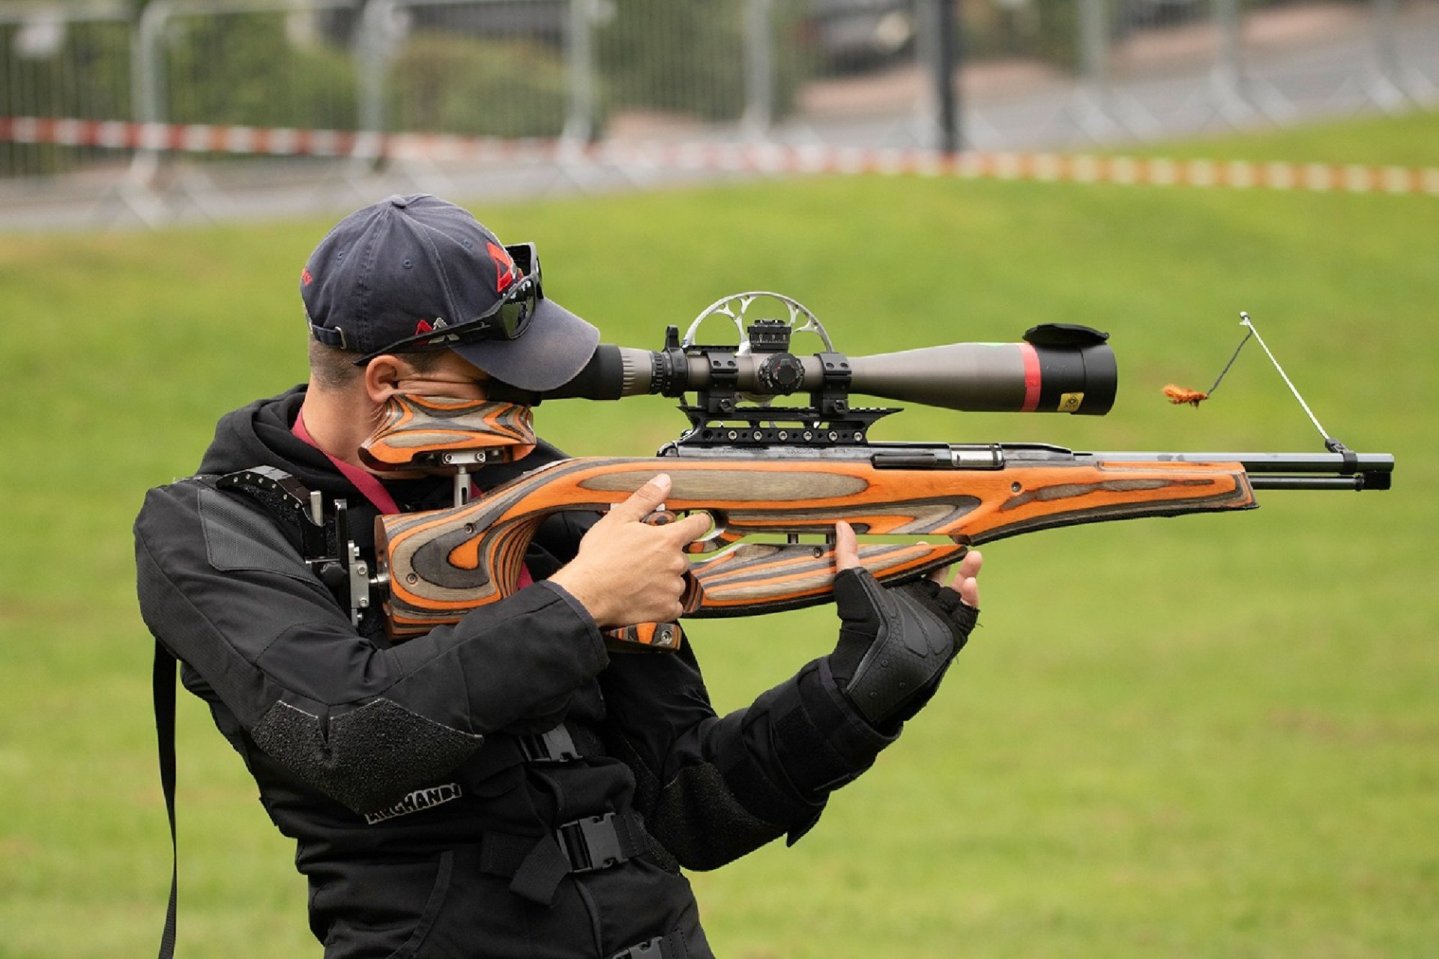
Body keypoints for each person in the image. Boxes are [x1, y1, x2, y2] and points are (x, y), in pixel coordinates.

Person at [134, 194, 983, 959]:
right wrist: (581, 601)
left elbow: (689, 805)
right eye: (500, 380)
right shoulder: (214, 527)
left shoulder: (542, 488)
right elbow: (351, 740)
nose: (530, 407)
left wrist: (865, 686)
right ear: (389, 383)